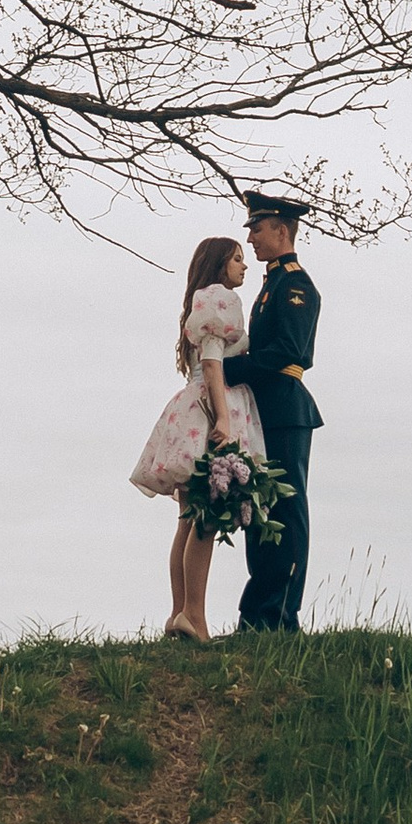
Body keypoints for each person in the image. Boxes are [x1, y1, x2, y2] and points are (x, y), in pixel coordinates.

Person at [127, 234, 265, 643]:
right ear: (220, 263)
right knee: (205, 518)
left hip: (190, 409)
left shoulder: (199, 300)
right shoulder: (219, 299)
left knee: (189, 519)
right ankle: (195, 618)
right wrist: (223, 417)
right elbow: (212, 361)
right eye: (238, 259)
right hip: (208, 410)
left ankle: (180, 614)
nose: (244, 266)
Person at [221, 189, 321, 631]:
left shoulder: (295, 285)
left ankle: (280, 616)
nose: (253, 239)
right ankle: (256, 615)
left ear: (281, 230)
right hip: (263, 409)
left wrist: (230, 368)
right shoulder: (272, 283)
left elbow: (288, 349)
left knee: (285, 510)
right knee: (260, 509)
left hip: (285, 409)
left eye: (258, 230)